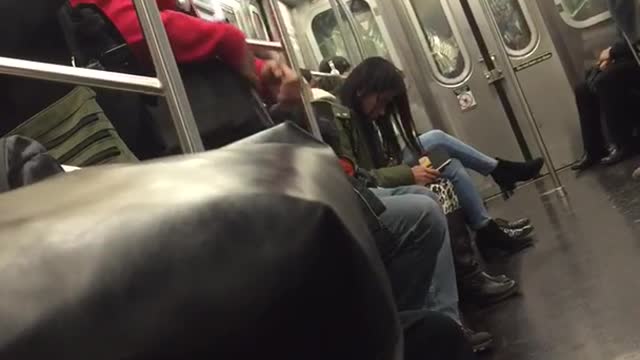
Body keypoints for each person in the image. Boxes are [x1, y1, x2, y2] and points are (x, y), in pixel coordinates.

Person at [334, 57, 541, 260]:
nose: (382, 112)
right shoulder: (339, 117)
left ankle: (487, 228)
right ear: (362, 90)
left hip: (387, 173)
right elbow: (358, 177)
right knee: (436, 139)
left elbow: (381, 162)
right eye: (382, 102)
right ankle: (498, 178)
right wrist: (408, 173)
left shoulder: (362, 119)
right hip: (375, 186)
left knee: (450, 163)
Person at [571, 41, 640, 170]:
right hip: (631, 54)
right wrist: (613, 56)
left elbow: (635, 36)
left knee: (605, 80)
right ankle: (594, 149)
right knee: (582, 89)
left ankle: (624, 143)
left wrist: (612, 52)